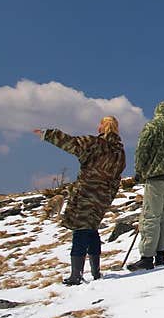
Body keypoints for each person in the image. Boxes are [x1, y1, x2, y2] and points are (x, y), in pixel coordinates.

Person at [34, 116, 126, 285]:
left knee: (80, 230)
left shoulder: (96, 144)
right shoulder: (120, 152)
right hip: (102, 197)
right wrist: (108, 197)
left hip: (86, 193)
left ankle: (76, 274)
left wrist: (48, 134)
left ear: (103, 127)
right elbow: (116, 178)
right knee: (92, 229)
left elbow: (72, 143)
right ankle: (96, 272)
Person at [128, 102, 164, 271]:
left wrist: (139, 172)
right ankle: (161, 254)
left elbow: (142, 150)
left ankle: (147, 257)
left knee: (150, 217)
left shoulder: (152, 126)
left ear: (156, 112)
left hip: (157, 177)